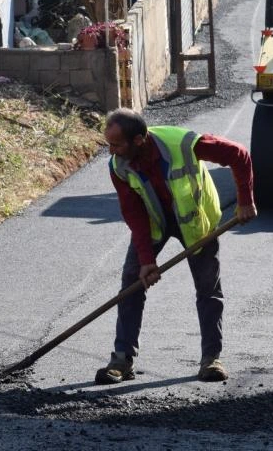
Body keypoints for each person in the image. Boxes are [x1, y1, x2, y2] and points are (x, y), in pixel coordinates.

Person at [96, 109, 257, 385]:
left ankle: (211, 359)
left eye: (117, 145)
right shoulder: (118, 165)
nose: (111, 151)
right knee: (132, 283)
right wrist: (146, 260)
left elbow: (238, 154)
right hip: (154, 222)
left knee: (208, 289)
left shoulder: (183, 144)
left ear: (138, 140)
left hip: (194, 221)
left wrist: (245, 200)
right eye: (109, 144)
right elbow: (133, 212)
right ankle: (121, 360)